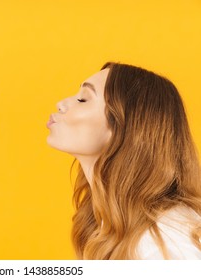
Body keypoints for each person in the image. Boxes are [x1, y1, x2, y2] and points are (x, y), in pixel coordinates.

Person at [47, 62, 201, 259]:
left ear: (124, 128)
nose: (61, 103)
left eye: (83, 99)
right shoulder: (111, 224)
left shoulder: (166, 242)